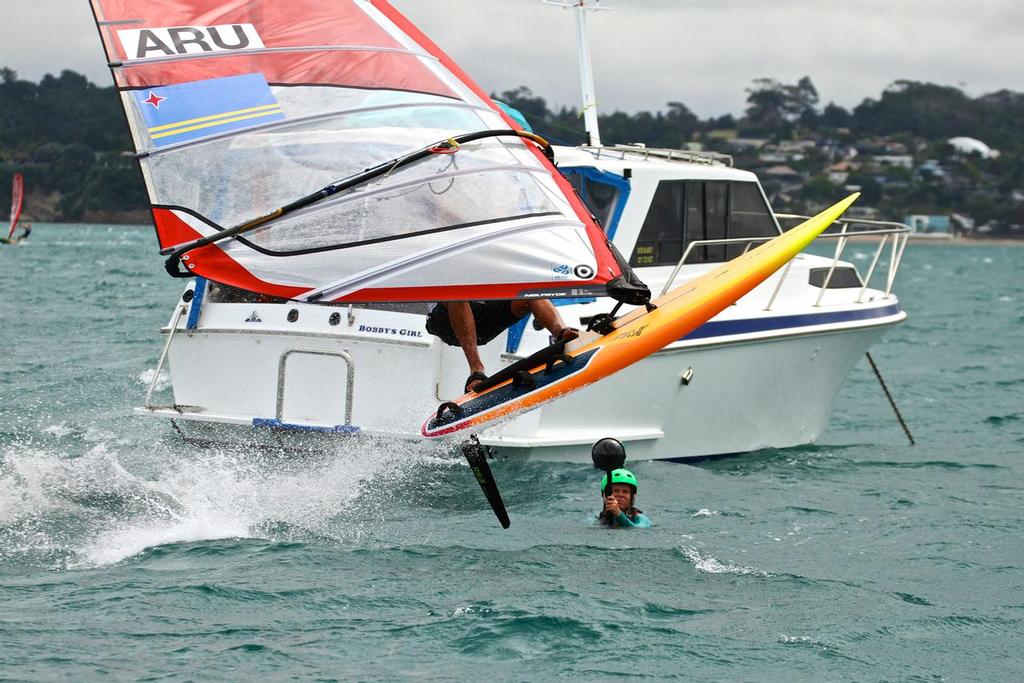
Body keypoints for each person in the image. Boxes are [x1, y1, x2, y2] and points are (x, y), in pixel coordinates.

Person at [426, 300, 578, 392]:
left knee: (531, 293)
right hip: (445, 321)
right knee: (458, 293)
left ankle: (561, 333)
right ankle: (476, 370)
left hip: (482, 319)